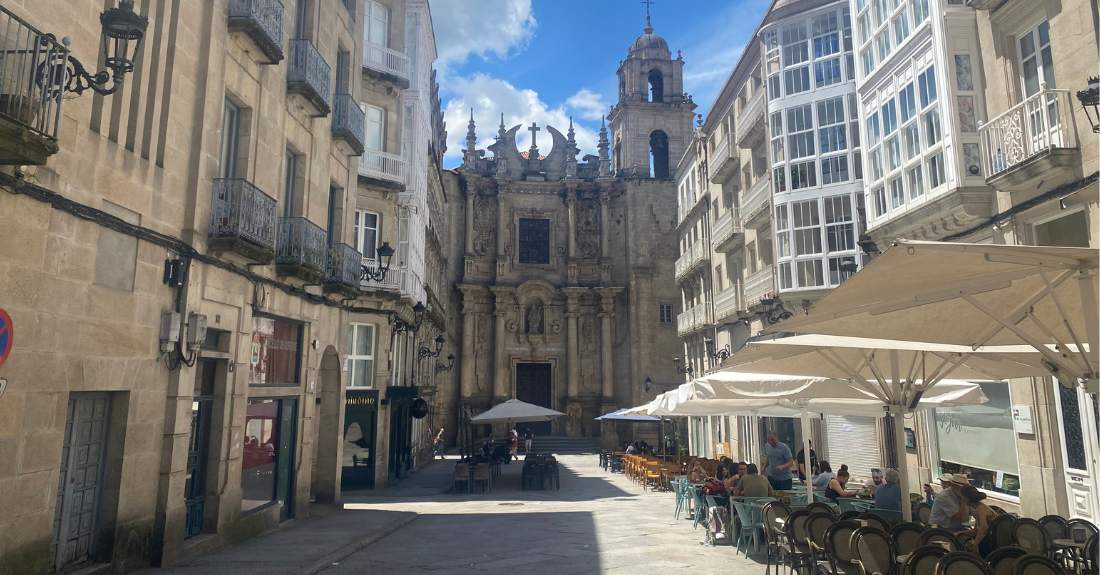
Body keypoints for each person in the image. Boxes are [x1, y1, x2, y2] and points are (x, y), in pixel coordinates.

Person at [958, 485, 996, 557]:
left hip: (989, 542)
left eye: (962, 496)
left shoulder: (980, 509)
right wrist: (960, 532)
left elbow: (984, 527)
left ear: (967, 499)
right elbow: (976, 530)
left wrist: (975, 544)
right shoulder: (980, 507)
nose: (961, 499)